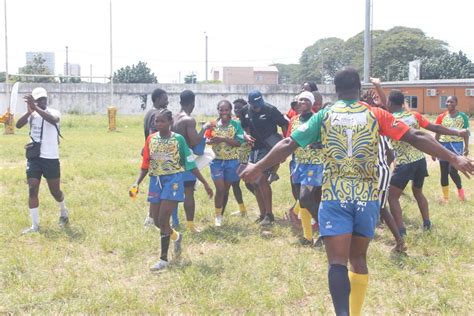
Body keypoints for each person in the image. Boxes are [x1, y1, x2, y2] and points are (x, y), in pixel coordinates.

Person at [240, 67, 474, 316]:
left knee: (337, 262)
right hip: (367, 198)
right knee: (359, 259)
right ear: (359, 89)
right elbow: (415, 136)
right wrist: (454, 157)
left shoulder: (325, 115)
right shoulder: (376, 114)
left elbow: (288, 143)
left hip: (335, 197)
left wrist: (258, 166)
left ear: (336, 90)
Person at [131, 109, 213, 271]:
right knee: (155, 219)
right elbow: (146, 165)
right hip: (156, 181)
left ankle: (163, 260)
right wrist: (136, 183)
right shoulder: (151, 140)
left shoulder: (178, 140)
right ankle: (176, 236)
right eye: (156, 121)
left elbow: (190, 163)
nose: (158, 124)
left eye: (162, 121)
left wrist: (204, 183)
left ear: (170, 123)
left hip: (173, 182)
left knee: (163, 219)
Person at [386, 90, 468, 236]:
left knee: (392, 196)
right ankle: (427, 223)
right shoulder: (414, 115)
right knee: (418, 192)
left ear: (389, 103)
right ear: (402, 102)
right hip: (420, 160)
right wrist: (457, 132)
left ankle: (401, 231)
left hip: (405, 163)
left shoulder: (389, 119)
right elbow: (435, 128)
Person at [360, 78, 405, 252]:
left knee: (377, 207)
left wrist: (381, 170)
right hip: (376, 170)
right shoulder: (370, 121)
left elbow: (390, 153)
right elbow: (391, 153)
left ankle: (399, 241)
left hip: (375, 170)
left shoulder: (376, 118)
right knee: (376, 206)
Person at [16, 87, 69, 233]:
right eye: (38, 99)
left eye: (43, 98)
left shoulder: (53, 112)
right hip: (34, 158)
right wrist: (29, 111)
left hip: (51, 158)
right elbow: (18, 125)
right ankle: (35, 226)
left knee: (55, 192)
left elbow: (53, 120)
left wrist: (36, 108)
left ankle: (64, 211)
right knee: (32, 190)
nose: (41, 101)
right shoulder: (32, 115)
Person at [240, 90, 288, 225]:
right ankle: (262, 214)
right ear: (249, 103)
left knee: (261, 179)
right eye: (255, 105)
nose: (258, 107)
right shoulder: (244, 111)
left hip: (269, 149)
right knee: (253, 182)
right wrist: (246, 135)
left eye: (259, 104)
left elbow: (284, 124)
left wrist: (285, 146)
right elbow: (244, 127)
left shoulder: (270, 110)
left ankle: (269, 214)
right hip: (253, 149)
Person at [287, 91, 324, 246]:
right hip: (298, 163)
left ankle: (325, 230)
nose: (302, 102)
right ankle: (307, 237)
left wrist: (320, 144)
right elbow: (288, 140)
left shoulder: (318, 119)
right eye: (300, 99)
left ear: (312, 103)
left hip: (314, 164)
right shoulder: (294, 120)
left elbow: (328, 138)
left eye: (306, 99)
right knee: (302, 202)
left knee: (305, 197)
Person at [172, 90, 212, 232]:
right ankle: (190, 226)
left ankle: (175, 221)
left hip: (172, 158)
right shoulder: (188, 120)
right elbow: (195, 141)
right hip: (186, 159)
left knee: (174, 191)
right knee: (188, 191)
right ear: (193, 103)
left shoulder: (174, 118)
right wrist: (204, 128)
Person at [205, 100, 245, 226]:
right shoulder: (213, 124)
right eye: (221, 110)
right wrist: (210, 141)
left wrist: (222, 139)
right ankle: (217, 217)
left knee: (226, 189)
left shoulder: (236, 124)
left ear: (230, 110)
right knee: (220, 189)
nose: (224, 112)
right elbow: (206, 139)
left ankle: (221, 214)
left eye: (226, 110)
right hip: (216, 162)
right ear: (218, 110)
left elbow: (239, 143)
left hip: (232, 162)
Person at [433, 96, 470, 202]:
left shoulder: (462, 116)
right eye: (447, 101)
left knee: (452, 171)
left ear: (456, 103)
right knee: (443, 172)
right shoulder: (441, 116)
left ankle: (461, 192)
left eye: (451, 101)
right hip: (443, 145)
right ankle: (445, 198)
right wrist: (434, 149)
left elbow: (466, 133)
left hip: (456, 145)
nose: (449, 103)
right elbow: (437, 132)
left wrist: (466, 147)